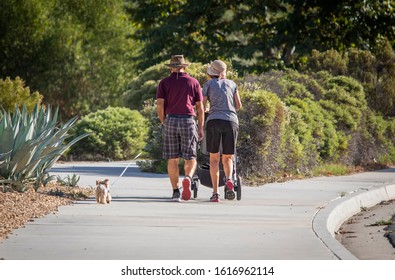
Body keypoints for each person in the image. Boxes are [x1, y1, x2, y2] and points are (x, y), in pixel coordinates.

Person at [157, 55, 204, 201]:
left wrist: (164, 121)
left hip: (170, 120)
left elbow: (160, 104)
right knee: (191, 157)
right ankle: (188, 179)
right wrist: (201, 127)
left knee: (172, 159)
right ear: (184, 66)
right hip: (188, 121)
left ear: (171, 67)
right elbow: (200, 107)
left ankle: (175, 192)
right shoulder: (194, 82)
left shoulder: (164, 82)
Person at [202, 60, 242, 202]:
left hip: (214, 121)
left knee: (214, 159)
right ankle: (229, 179)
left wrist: (208, 110)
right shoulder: (232, 84)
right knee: (228, 157)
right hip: (231, 122)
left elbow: (202, 104)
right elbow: (238, 105)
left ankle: (215, 193)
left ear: (211, 73)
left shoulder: (208, 85)